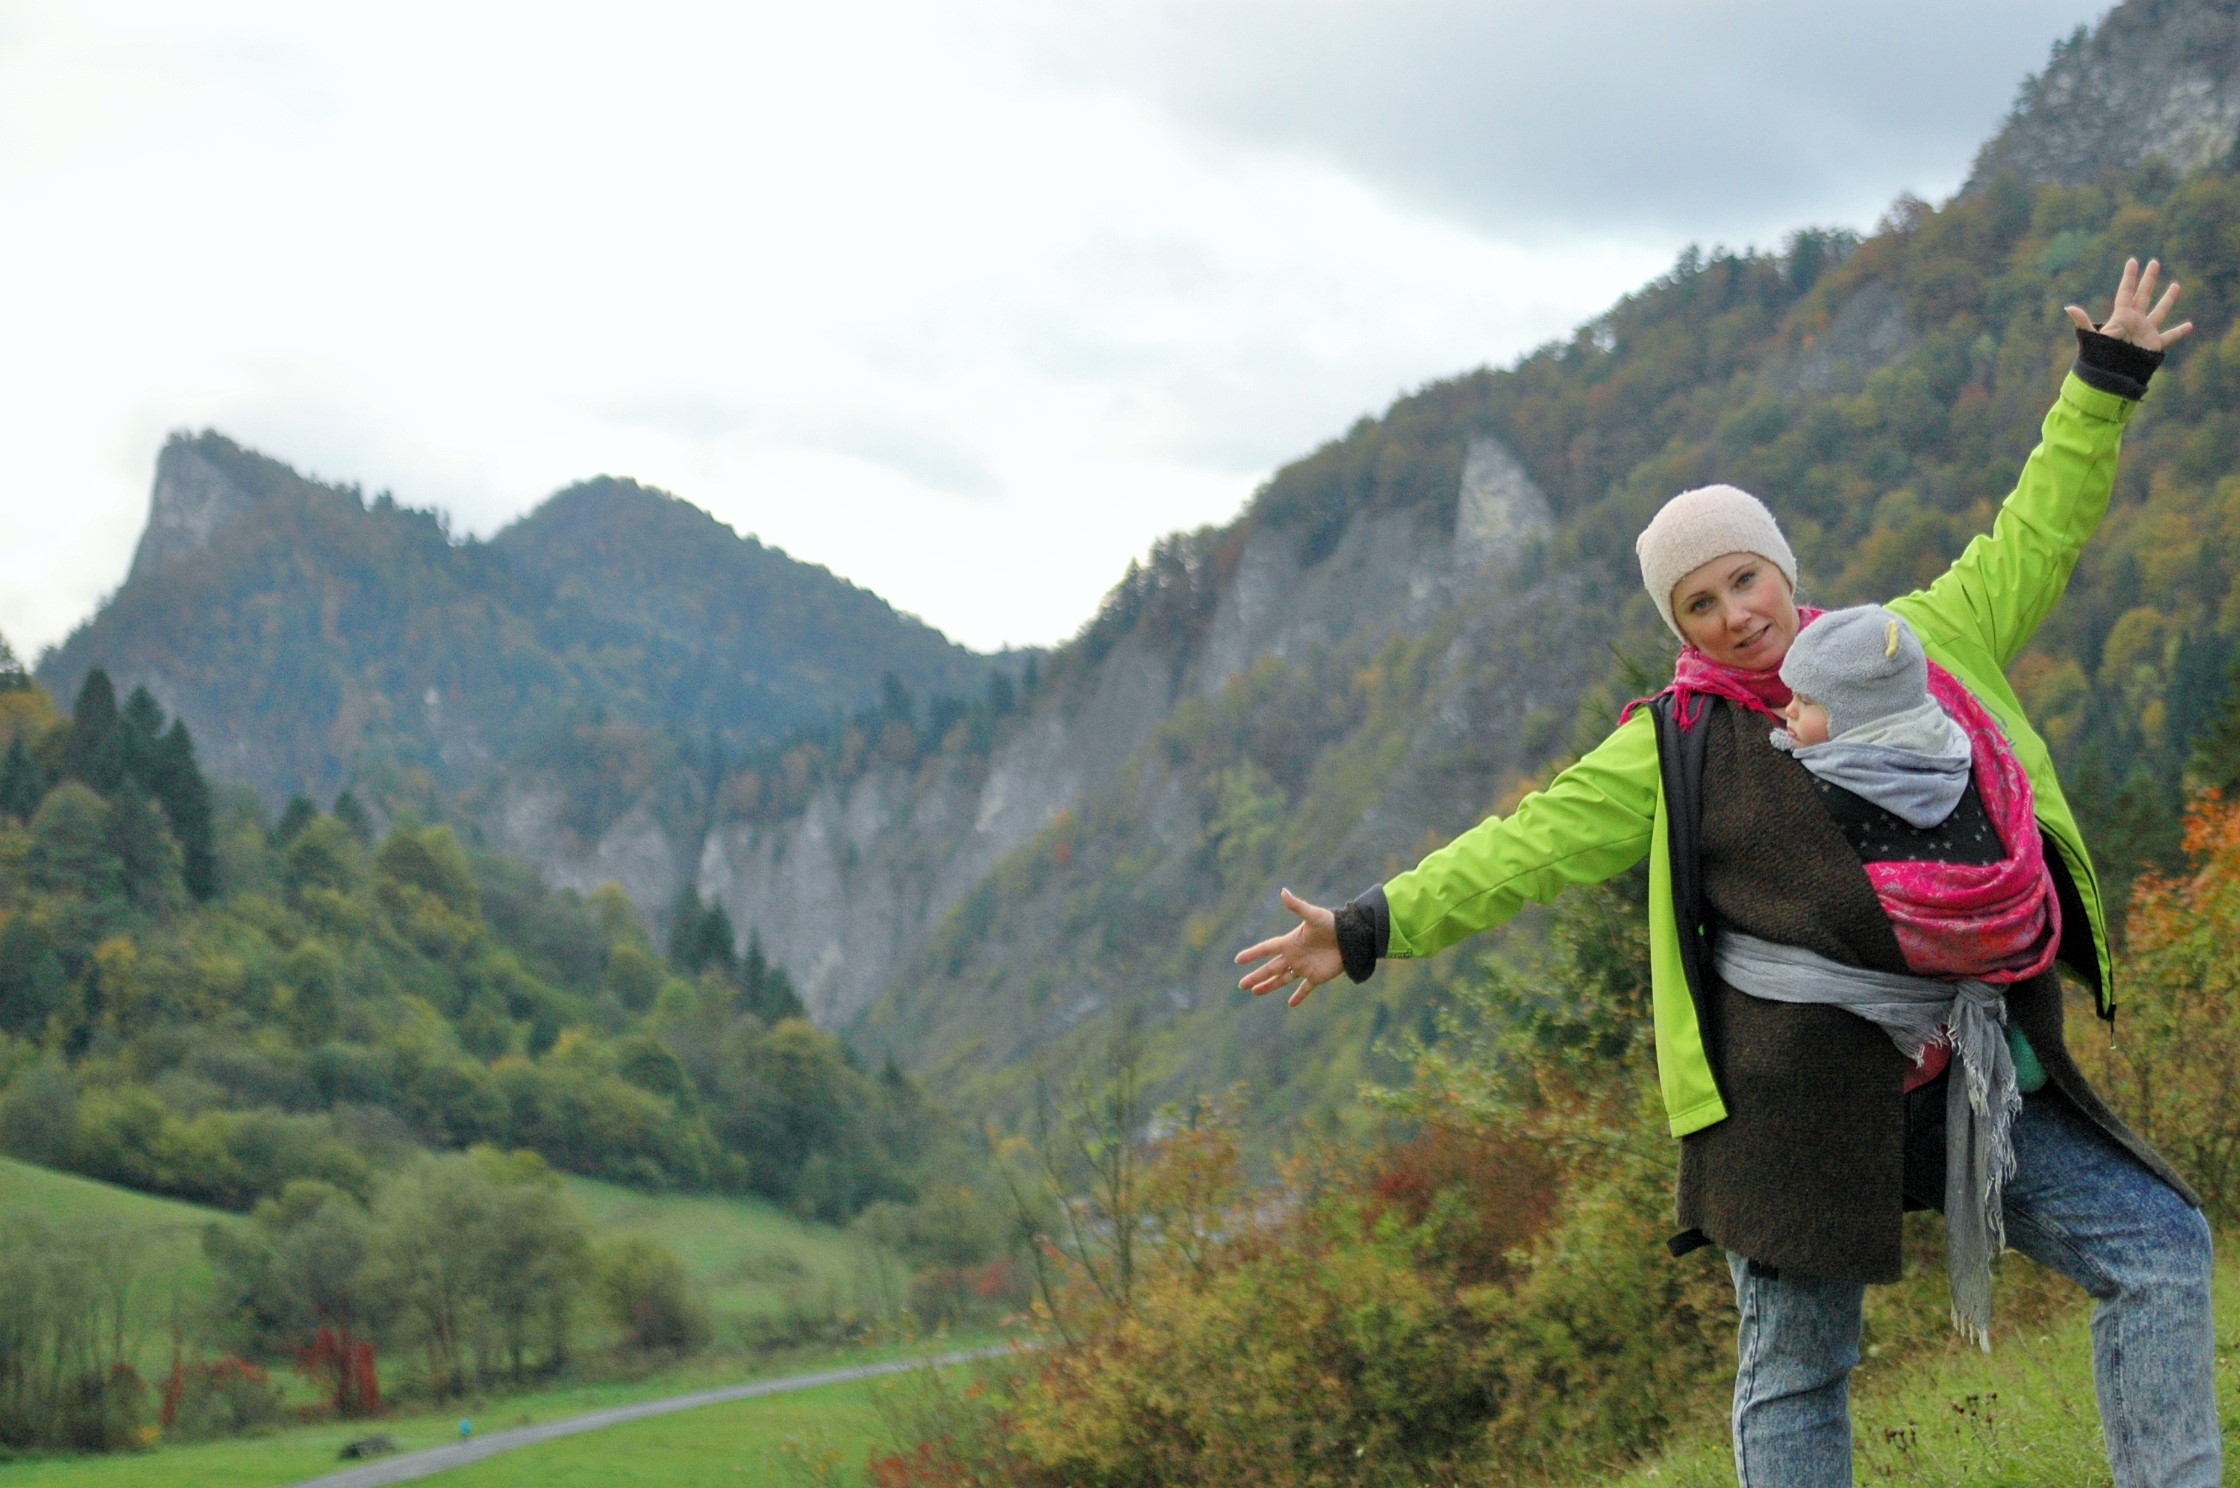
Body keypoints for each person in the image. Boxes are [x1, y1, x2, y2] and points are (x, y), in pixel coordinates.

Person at [1235, 259, 2217, 1488]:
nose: (1731, 614)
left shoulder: (1922, 640)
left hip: (1973, 1064)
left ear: (1782, 569)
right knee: (1798, 1363)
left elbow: (2039, 529)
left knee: (2158, 1245)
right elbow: (1522, 847)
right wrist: (1367, 927)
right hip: (1795, 1099)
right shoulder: (1672, 743)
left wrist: (2102, 384)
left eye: (1741, 578)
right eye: (1695, 603)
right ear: (1679, 627)